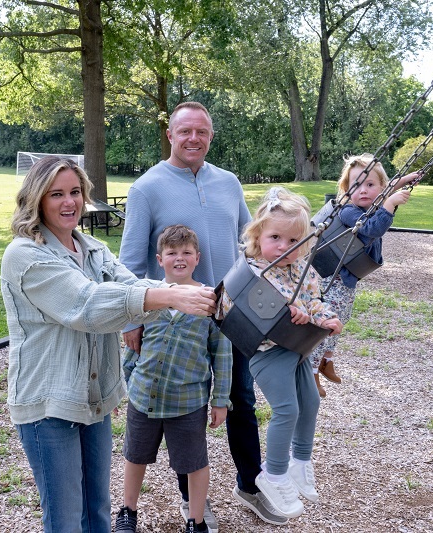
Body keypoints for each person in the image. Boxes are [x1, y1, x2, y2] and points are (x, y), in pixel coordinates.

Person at [0, 156, 217, 532]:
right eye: (57, 194)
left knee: (98, 510)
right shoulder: (25, 255)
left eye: (75, 192)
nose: (70, 202)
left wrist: (181, 291)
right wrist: (169, 297)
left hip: (94, 400)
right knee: (66, 518)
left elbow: (130, 284)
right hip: (50, 404)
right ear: (36, 199)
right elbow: (85, 305)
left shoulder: (93, 249)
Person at [119, 101, 288, 528]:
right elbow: (129, 262)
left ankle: (250, 486)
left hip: (231, 315)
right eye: (185, 131)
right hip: (177, 315)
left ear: (211, 136)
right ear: (170, 135)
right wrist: (131, 319)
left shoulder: (228, 182)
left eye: (202, 132)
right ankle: (192, 501)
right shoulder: (147, 188)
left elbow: (250, 242)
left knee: (242, 401)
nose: (194, 139)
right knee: (183, 407)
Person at [216, 187, 343, 519]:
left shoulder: (300, 268)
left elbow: (313, 300)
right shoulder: (251, 268)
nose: (284, 248)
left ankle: (300, 462)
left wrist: (324, 317)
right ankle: (272, 474)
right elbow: (240, 302)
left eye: (293, 241)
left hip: (297, 348)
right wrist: (290, 311)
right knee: (286, 410)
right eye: (276, 238)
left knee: (310, 402)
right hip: (267, 352)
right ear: (258, 234)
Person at [116, 225, 232, 533]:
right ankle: (127, 511)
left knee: (194, 462)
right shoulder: (149, 297)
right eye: (171, 253)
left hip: (188, 402)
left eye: (186, 253)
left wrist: (221, 400)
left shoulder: (213, 300)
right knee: (134, 455)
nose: (179, 259)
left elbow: (222, 355)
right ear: (159, 259)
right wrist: (118, 387)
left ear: (197, 258)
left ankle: (195, 520)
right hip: (144, 396)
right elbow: (133, 349)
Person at [310, 154, 418, 398]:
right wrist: (390, 204)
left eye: (370, 185)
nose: (363, 190)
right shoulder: (349, 211)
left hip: (347, 281)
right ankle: (312, 371)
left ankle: (327, 361)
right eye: (356, 185)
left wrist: (404, 180)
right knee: (327, 325)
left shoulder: (369, 204)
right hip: (331, 280)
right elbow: (370, 228)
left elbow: (385, 188)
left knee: (342, 320)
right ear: (346, 189)